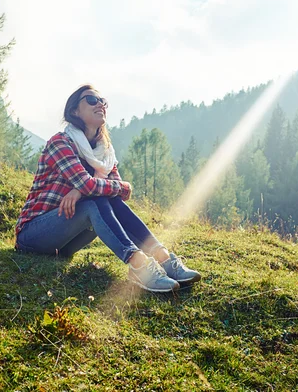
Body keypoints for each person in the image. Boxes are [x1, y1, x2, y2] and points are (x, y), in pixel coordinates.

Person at [15, 84, 201, 292]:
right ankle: (138, 264)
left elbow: (120, 194)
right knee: (95, 200)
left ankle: (164, 258)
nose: (100, 104)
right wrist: (91, 188)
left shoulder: (104, 152)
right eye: (91, 100)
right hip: (33, 235)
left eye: (103, 101)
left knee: (105, 198)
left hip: (65, 244)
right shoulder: (61, 142)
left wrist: (81, 191)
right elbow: (100, 185)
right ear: (74, 111)